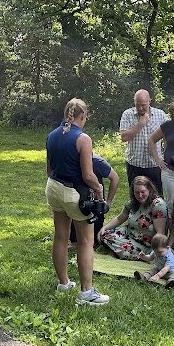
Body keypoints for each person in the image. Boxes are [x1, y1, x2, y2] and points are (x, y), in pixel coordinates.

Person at [46, 98, 110, 306]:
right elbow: (89, 176)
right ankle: (86, 292)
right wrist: (99, 189)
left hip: (53, 188)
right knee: (85, 241)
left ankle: (64, 283)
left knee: (60, 237)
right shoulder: (83, 139)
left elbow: (48, 170)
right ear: (83, 116)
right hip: (74, 193)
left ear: (67, 114)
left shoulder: (51, 135)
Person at [98, 175, 168, 260]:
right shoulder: (133, 202)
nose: (140, 195)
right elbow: (119, 218)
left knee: (125, 248)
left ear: (149, 189)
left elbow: (160, 232)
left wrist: (155, 252)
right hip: (129, 234)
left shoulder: (158, 205)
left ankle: (140, 255)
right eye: (136, 192)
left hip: (146, 244)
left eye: (143, 192)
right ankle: (118, 251)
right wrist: (104, 228)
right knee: (104, 234)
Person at [119, 89, 167, 194]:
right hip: (135, 164)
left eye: (143, 105)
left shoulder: (160, 115)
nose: (140, 108)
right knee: (136, 196)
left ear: (150, 101)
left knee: (157, 195)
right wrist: (140, 124)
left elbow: (167, 138)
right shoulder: (128, 114)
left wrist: (165, 156)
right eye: (138, 105)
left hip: (154, 165)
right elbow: (124, 137)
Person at [68, 154, 120, 246]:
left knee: (95, 240)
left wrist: (108, 202)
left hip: (95, 204)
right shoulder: (71, 160)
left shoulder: (97, 162)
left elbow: (115, 178)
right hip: (76, 201)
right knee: (76, 239)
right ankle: (75, 240)